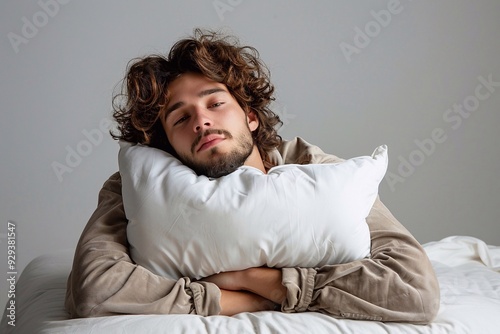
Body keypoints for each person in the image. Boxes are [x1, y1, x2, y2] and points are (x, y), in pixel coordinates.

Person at [65, 29, 440, 322]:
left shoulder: (319, 171)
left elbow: (414, 288)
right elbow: (93, 290)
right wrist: (220, 301)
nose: (202, 120)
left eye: (215, 103)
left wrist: (252, 282)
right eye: (181, 117)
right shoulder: (136, 189)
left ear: (250, 115)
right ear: (166, 143)